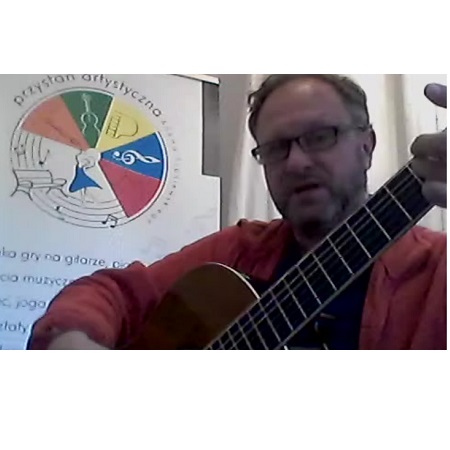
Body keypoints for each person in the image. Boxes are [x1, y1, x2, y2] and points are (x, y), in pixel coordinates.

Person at [27, 74, 447, 350]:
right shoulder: (238, 252)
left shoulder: (437, 271)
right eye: (276, 148)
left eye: (320, 137)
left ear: (367, 146)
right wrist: (71, 338)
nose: (297, 162)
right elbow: (116, 291)